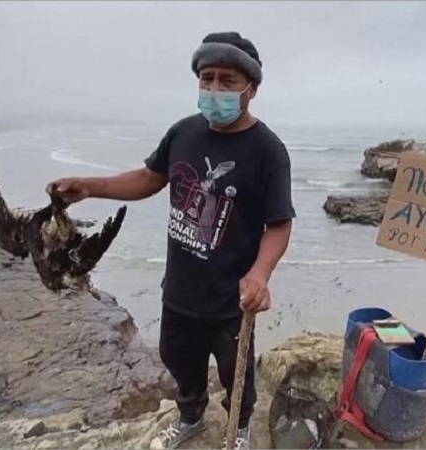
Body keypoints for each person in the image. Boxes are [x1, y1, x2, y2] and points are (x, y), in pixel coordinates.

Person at [46, 31, 295, 449]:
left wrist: (260, 273)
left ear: (252, 88)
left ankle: (239, 428)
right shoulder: (183, 132)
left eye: (227, 81)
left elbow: (279, 224)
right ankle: (192, 418)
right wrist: (90, 186)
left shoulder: (268, 151)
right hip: (180, 291)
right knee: (179, 360)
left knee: (237, 374)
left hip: (231, 301)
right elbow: (149, 178)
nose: (214, 89)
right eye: (207, 78)